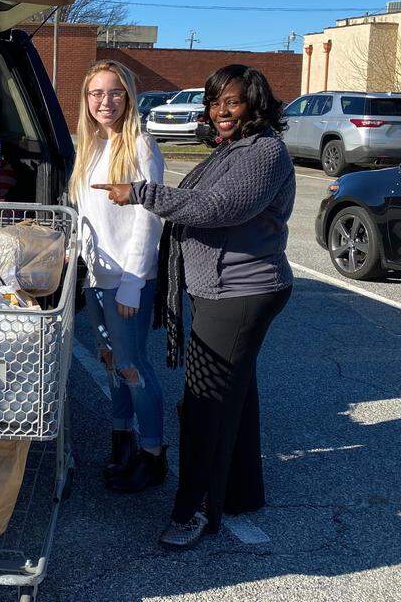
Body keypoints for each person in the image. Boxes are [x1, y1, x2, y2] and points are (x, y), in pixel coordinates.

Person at [94, 64, 295, 550]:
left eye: (233, 102)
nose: (221, 112)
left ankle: (195, 512)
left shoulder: (264, 151)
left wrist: (140, 193)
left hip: (241, 291)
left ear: (255, 104)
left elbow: (216, 208)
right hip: (219, 290)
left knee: (205, 405)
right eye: (214, 102)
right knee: (236, 399)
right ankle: (241, 494)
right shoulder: (234, 150)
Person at [71, 60, 168, 492]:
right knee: (112, 363)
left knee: (132, 365)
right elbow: (86, 219)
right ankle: (122, 443)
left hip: (128, 280)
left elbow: (149, 221)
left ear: (128, 97)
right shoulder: (90, 147)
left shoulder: (141, 147)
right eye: (96, 94)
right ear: (86, 100)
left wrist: (132, 283)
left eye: (114, 93)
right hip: (97, 278)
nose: (105, 102)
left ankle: (153, 454)